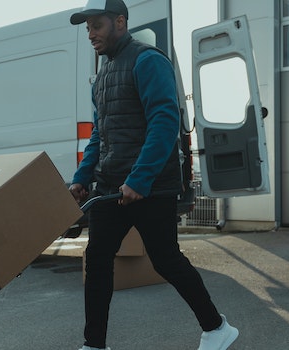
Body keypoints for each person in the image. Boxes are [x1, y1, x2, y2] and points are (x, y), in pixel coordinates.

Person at [68, 1, 239, 349]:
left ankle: (217, 328)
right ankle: (94, 345)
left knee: (166, 260)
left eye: (96, 26)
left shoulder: (148, 61)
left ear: (119, 21)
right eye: (86, 28)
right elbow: (101, 134)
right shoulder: (102, 76)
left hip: (150, 189)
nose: (90, 34)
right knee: (98, 261)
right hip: (110, 188)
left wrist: (140, 179)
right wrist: (83, 177)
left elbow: (164, 122)